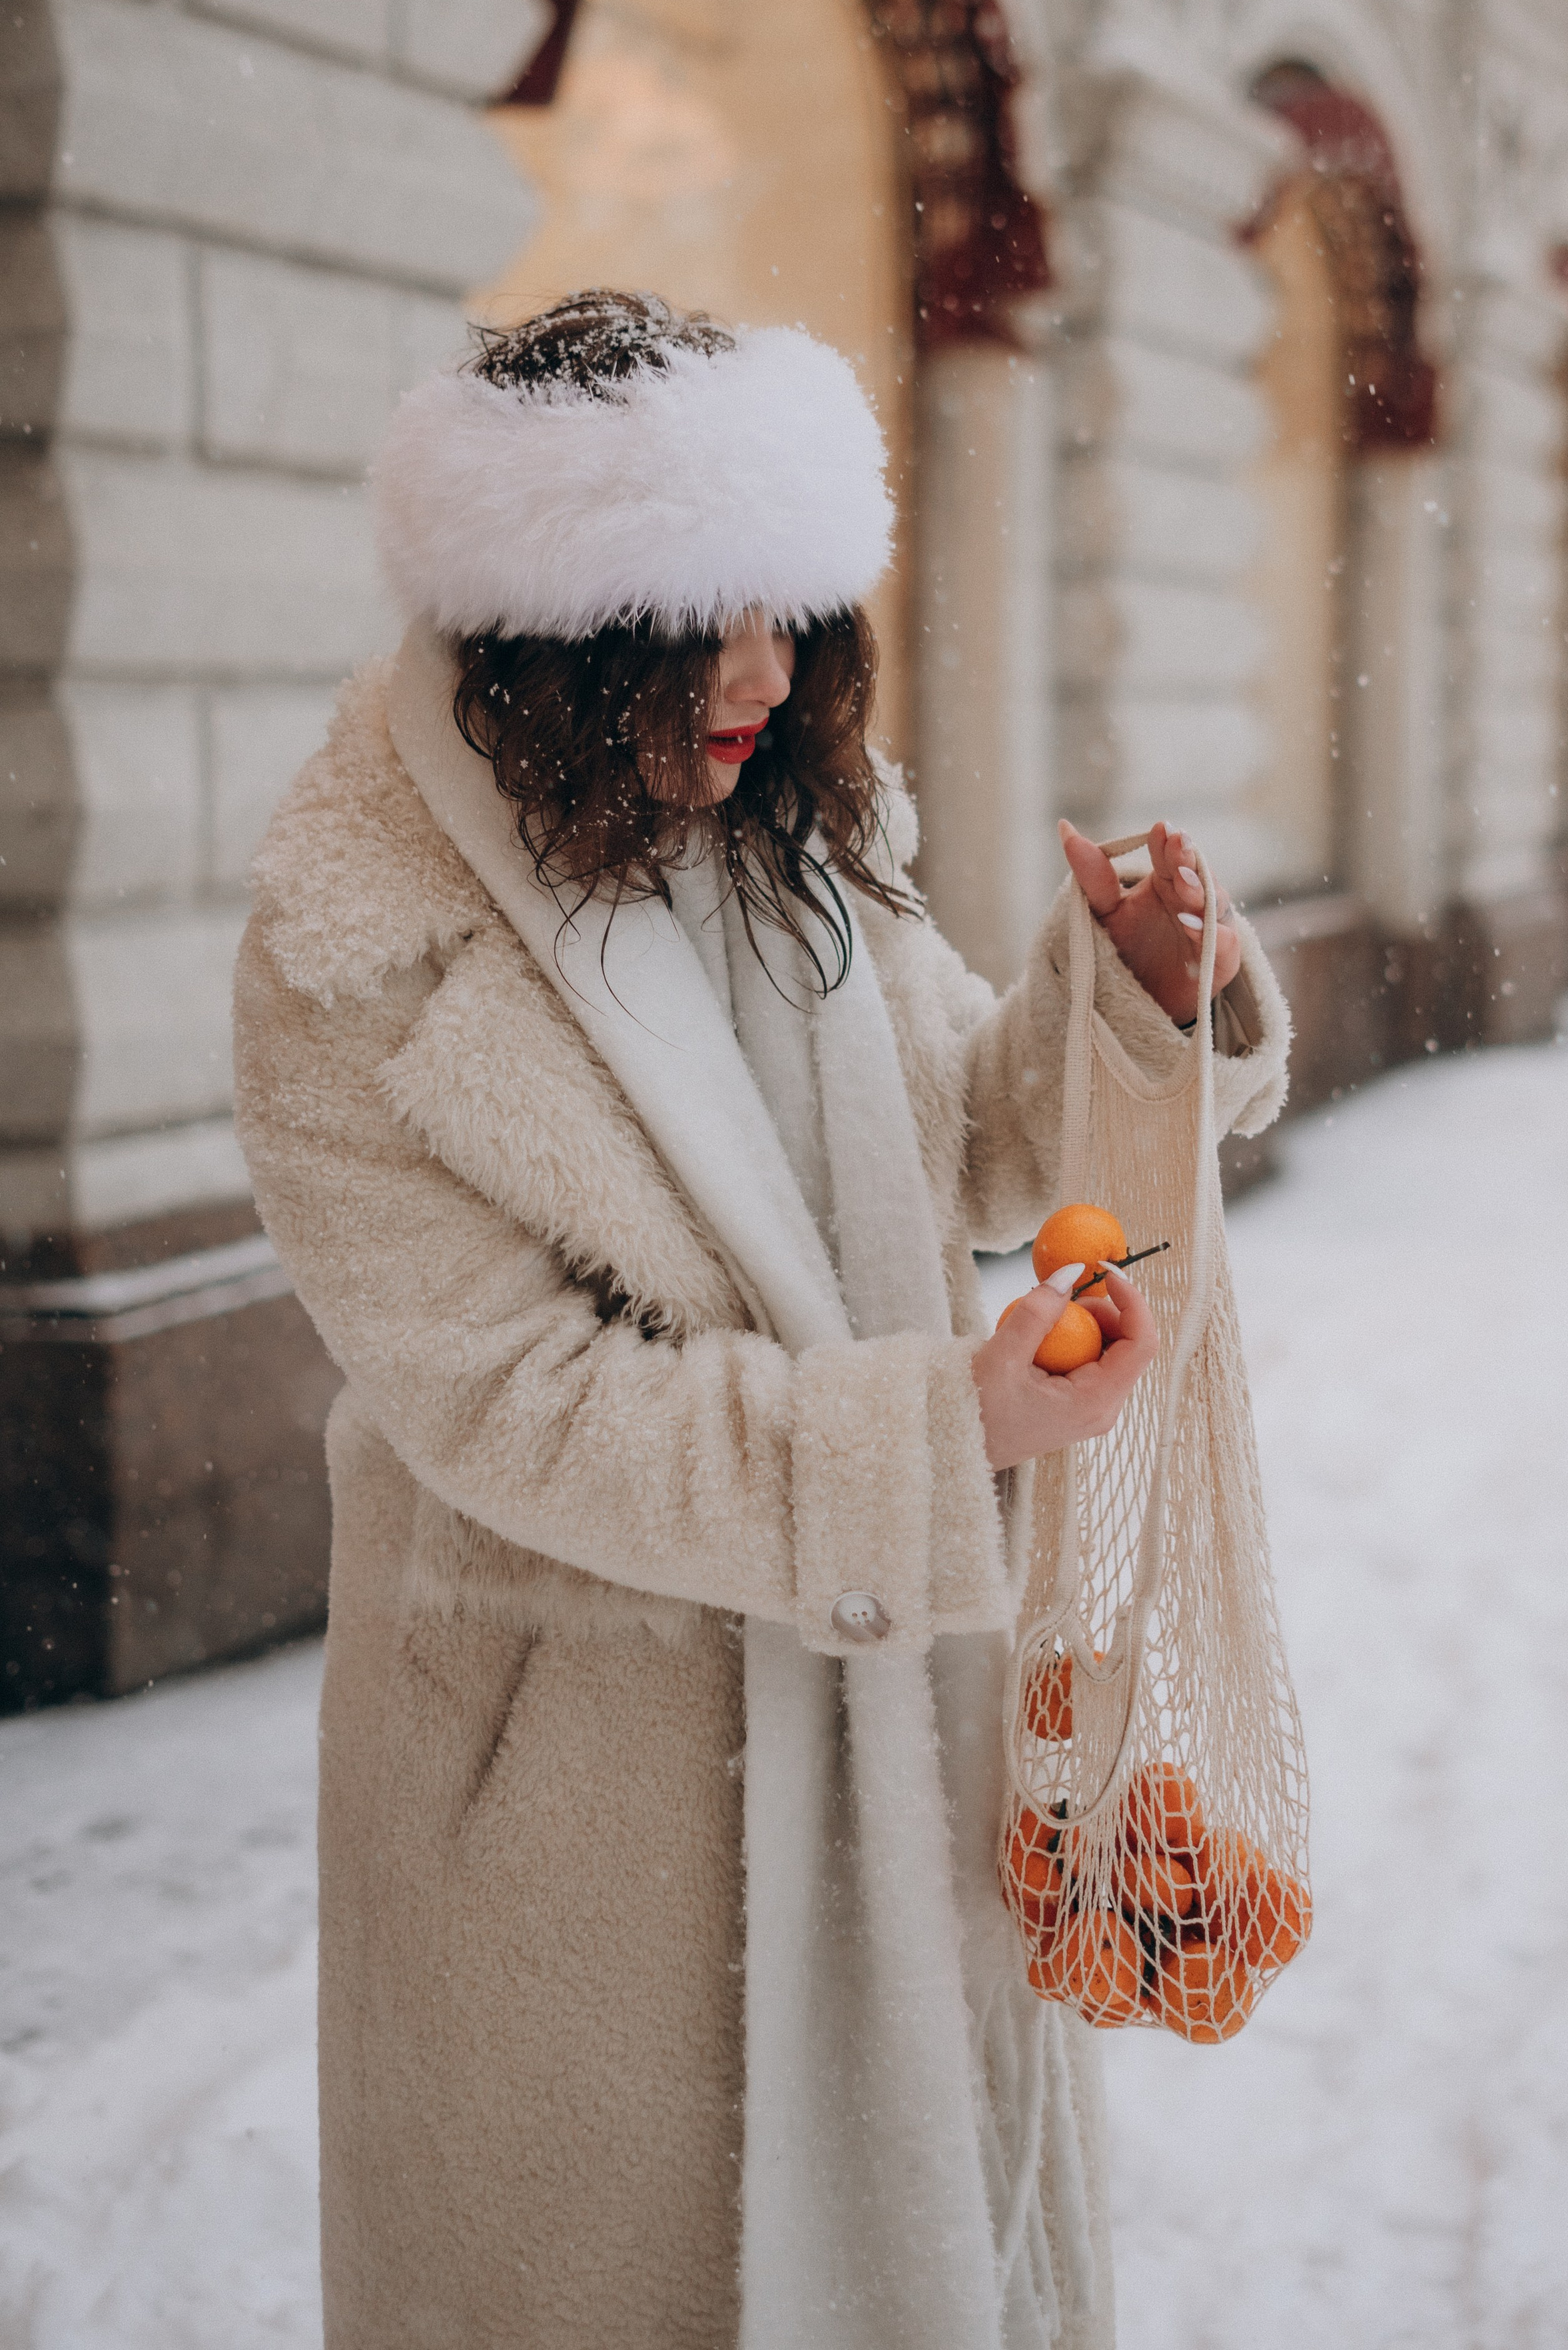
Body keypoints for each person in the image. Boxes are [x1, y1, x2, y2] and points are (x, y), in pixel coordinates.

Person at [232, 289, 1290, 2350]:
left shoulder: (795, 834)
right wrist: (933, 1431)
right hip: (578, 1800)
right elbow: (511, 1408)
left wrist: (1140, 996)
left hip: (881, 1728)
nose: (762, 673)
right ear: (547, 628)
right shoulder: (351, 949)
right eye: (694, 619)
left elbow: (960, 1137)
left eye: (792, 610)